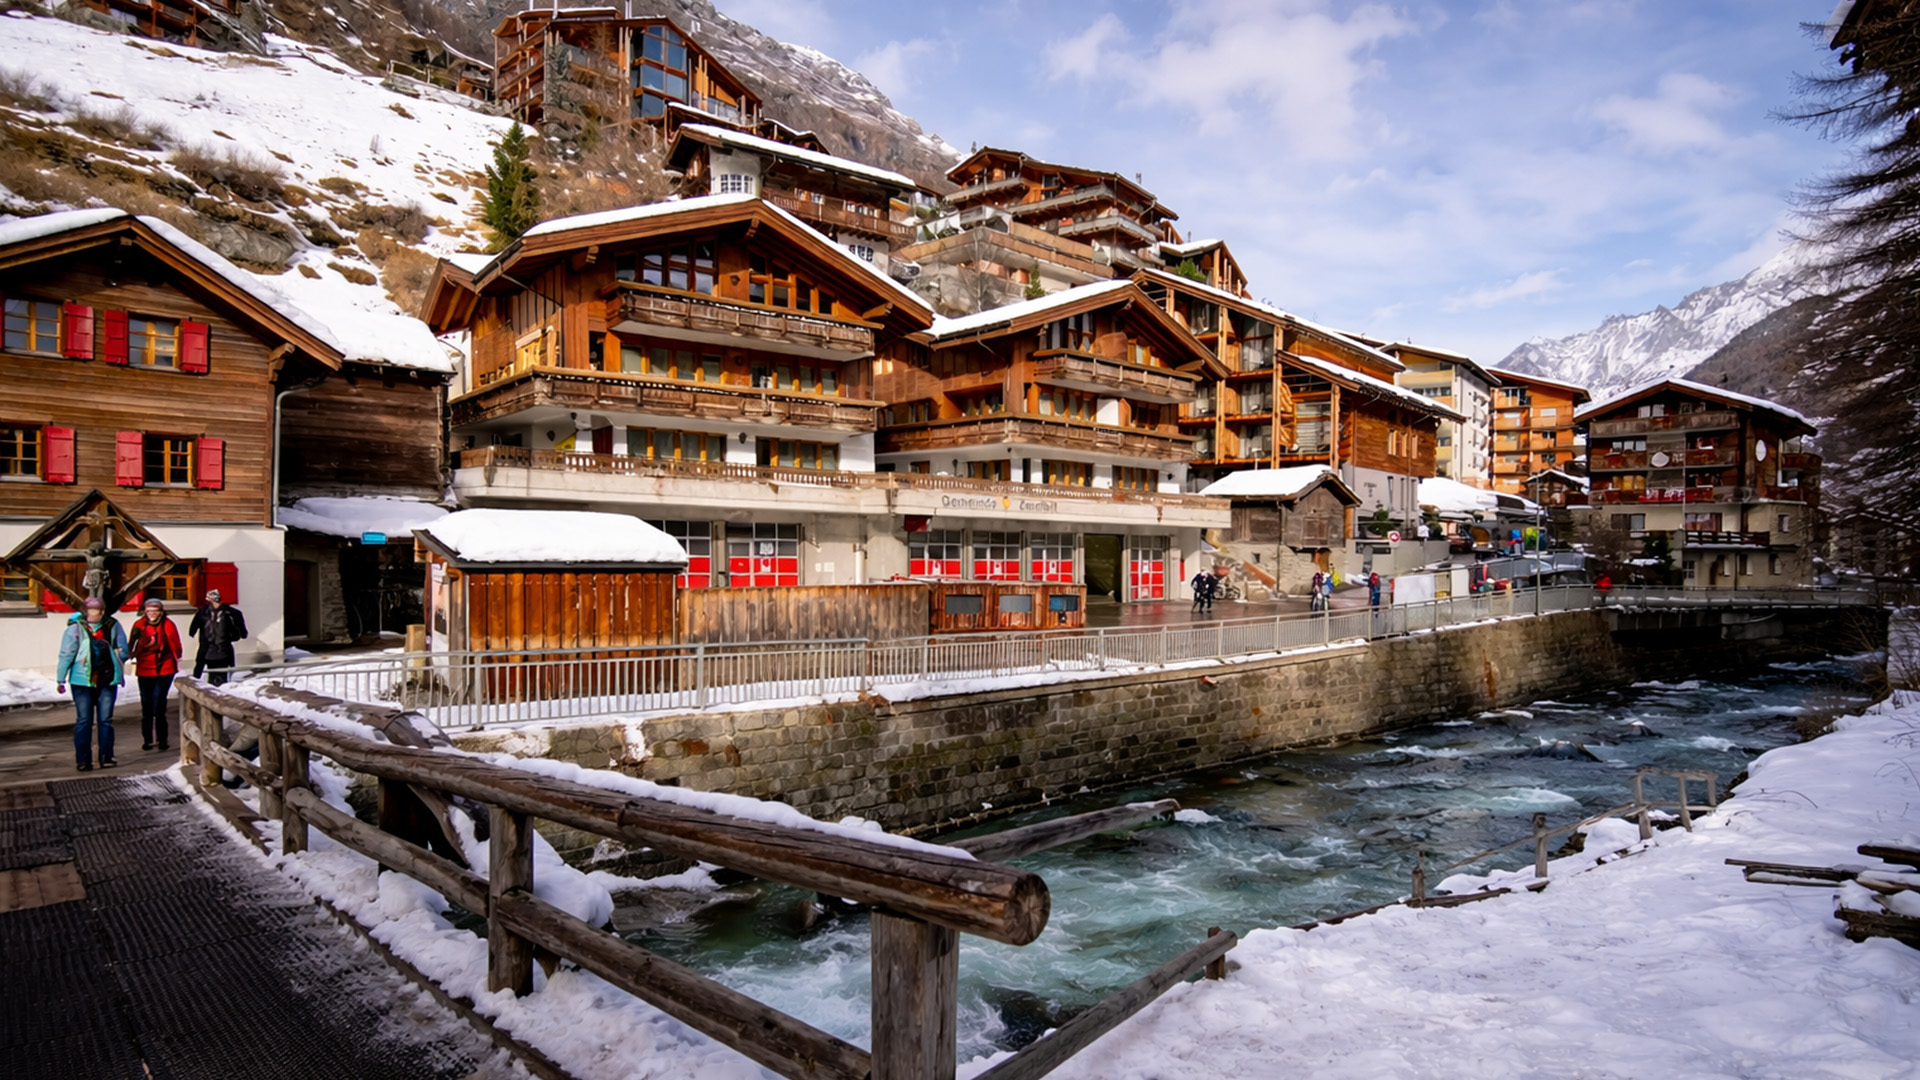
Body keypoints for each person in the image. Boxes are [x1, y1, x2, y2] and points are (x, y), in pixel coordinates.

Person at [55, 596, 128, 772]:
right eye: (92, 611)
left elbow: (67, 653)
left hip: (90, 680)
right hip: (96, 679)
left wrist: (61, 679)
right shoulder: (109, 626)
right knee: (98, 720)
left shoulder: (78, 628)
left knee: (89, 720)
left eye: (96, 611)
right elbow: (123, 650)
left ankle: (88, 760)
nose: (94, 614)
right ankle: (100, 758)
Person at [128, 597, 182, 751]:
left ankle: (162, 740)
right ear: (145, 611)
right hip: (145, 669)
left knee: (159, 704)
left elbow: (175, 644)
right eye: (149, 610)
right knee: (146, 705)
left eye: (155, 610)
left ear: (161, 611)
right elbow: (132, 644)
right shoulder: (139, 625)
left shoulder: (168, 625)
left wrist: (176, 657)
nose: (152, 613)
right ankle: (147, 740)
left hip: (164, 669)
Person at [189, 588, 247, 685]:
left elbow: (242, 630)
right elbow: (192, 628)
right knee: (206, 671)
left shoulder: (231, 613)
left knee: (222, 675)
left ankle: (219, 689)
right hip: (207, 648)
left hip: (223, 648)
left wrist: (240, 633)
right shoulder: (203, 613)